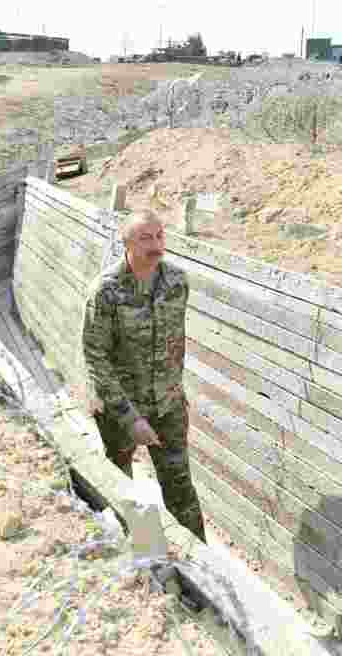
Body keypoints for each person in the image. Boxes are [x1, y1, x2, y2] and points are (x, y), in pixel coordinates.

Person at [81, 210, 207, 543]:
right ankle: (148, 558)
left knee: (180, 488)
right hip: (121, 410)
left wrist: (174, 394)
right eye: (145, 238)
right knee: (127, 487)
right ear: (126, 243)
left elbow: (174, 343)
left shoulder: (178, 282)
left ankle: (201, 567)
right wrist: (129, 417)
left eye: (160, 236)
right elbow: (96, 357)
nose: (156, 245)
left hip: (168, 407)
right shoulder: (105, 291)